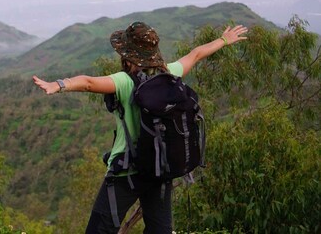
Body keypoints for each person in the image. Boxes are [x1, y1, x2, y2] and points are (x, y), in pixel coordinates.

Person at [33, 21, 248, 233]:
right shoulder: (170, 73)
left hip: (126, 171)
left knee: (100, 229)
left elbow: (88, 82)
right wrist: (223, 40)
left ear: (127, 55)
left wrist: (59, 85)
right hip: (160, 169)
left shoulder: (125, 82)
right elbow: (196, 54)